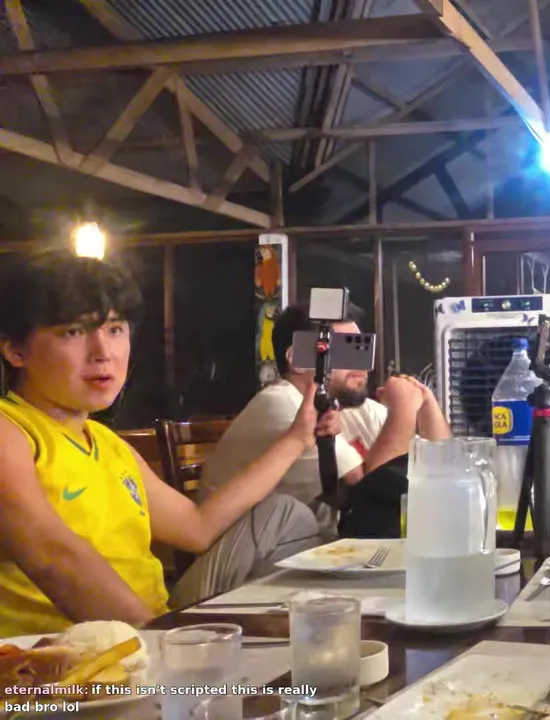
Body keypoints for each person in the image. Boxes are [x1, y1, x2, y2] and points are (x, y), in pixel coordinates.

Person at [0, 251, 338, 634]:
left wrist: (297, 438)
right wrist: (163, 640)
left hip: (155, 622)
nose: (103, 353)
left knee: (286, 514)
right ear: (16, 350)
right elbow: (50, 555)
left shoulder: (107, 444)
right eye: (73, 332)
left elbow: (197, 528)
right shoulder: (11, 430)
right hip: (67, 651)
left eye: (115, 329)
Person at [199, 303, 450, 543]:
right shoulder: (282, 402)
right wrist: (403, 411)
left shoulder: (347, 406)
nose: (361, 365)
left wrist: (427, 405)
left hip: (306, 551)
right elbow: (369, 495)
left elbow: (447, 473)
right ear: (298, 359)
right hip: (244, 558)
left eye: (361, 349)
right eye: (344, 350)